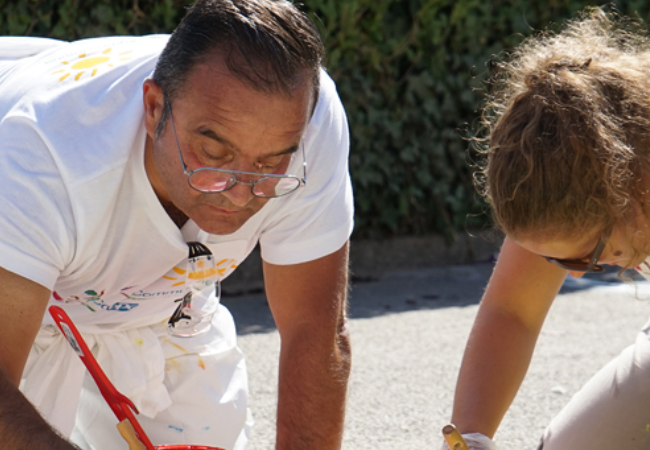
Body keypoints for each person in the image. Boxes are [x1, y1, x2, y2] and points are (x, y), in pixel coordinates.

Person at [0, 0, 354, 449]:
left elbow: (315, 330)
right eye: (214, 153)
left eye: (270, 163)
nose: (240, 192)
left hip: (164, 302)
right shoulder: (43, 153)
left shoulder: (307, 118)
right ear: (153, 109)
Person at [442, 7, 650, 450]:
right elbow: (512, 312)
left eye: (584, 257)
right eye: (556, 259)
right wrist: (469, 438)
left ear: (629, 189)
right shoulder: (569, 174)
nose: (572, 275)